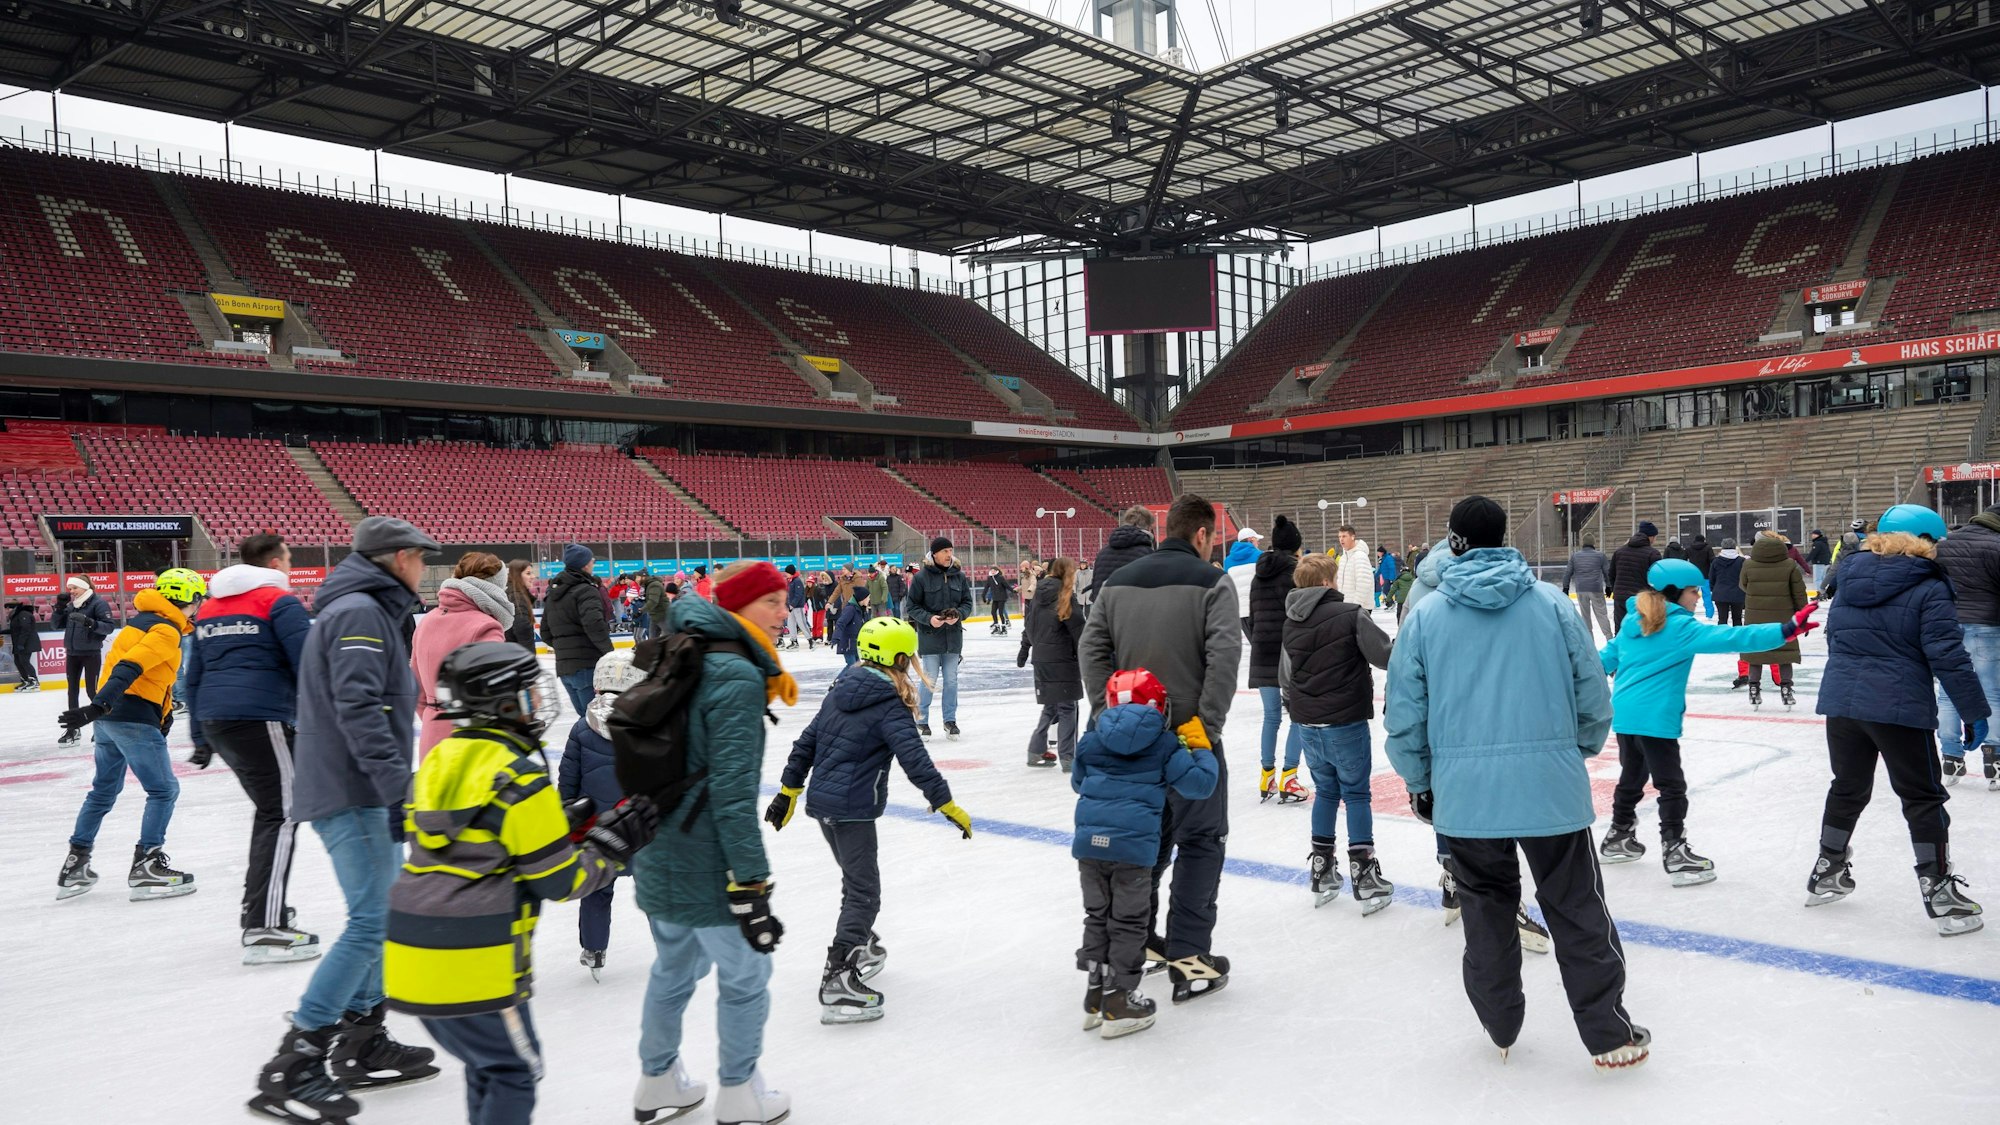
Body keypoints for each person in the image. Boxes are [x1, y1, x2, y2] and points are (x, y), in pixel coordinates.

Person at [1385, 496, 1646, 1072]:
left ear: (1454, 542)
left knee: (1485, 909)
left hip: (1466, 792)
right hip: (1549, 786)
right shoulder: (1551, 605)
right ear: (1504, 538)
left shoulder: (1424, 616)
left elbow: (1404, 711)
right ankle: (1607, 1032)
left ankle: (1500, 1022)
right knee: (1577, 905)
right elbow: (1592, 693)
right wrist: (1570, 749)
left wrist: (1420, 780)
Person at [384, 642, 661, 1125]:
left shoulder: (440, 760)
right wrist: (610, 846)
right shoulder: (518, 775)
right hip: (476, 962)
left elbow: (475, 843)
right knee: (515, 1071)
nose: (539, 701)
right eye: (528, 693)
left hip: (411, 953)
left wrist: (554, 824)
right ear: (503, 703)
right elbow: (562, 880)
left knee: (487, 1068)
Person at [247, 517, 442, 1123]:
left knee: (384, 915)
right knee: (373, 919)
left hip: (361, 787)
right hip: (351, 788)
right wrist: (395, 789)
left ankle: (361, 1037)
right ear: (400, 558)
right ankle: (296, 1061)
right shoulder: (359, 611)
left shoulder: (367, 607)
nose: (424, 569)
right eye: (420, 559)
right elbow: (357, 706)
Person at [630, 560, 798, 1125]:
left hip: (659, 840)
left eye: (783, 601)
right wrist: (751, 882)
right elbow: (731, 793)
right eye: (771, 602)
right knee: (747, 976)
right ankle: (740, 1090)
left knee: (673, 968)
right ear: (740, 606)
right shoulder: (736, 673)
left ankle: (656, 1080)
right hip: (706, 857)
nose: (782, 613)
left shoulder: (685, 645)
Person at [1078, 494, 1240, 1003]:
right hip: (1188, 741)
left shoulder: (1118, 582)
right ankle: (1189, 954)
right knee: (1200, 841)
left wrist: (1110, 716)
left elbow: (1091, 647)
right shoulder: (1213, 581)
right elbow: (1224, 655)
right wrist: (1203, 729)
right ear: (1202, 535)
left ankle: (1140, 940)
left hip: (1128, 744)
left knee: (1144, 841)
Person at [767, 616, 968, 1024]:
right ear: (896, 656)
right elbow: (916, 761)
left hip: (825, 807)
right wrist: (946, 803)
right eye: (908, 655)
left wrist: (789, 791)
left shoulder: (842, 687)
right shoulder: (888, 705)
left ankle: (864, 943)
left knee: (854, 884)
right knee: (864, 893)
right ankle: (838, 976)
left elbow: (806, 743)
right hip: (852, 810)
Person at [1811, 505, 1987, 937]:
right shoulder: (1929, 586)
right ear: (1925, 541)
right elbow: (1947, 655)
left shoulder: (1849, 577)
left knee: (1848, 787)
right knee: (1923, 797)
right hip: (1898, 706)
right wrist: (1974, 710)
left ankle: (1826, 869)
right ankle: (1940, 890)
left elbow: (1837, 636)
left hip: (1843, 703)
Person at [1598, 559, 1814, 884]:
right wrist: (1784, 630)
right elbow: (1732, 638)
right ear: (1674, 593)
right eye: (1693, 590)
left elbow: (1600, 661)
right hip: (1656, 718)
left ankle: (1618, 836)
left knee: (1632, 776)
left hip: (1627, 715)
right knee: (1671, 785)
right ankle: (1675, 852)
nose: (1698, 597)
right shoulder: (1680, 628)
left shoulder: (1634, 621)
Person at [183, 533, 319, 964]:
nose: (291, 567)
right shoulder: (280, 602)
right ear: (276, 563)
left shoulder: (210, 607)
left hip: (220, 720)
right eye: (290, 559)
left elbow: (194, 677)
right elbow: (308, 665)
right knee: (283, 813)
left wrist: (201, 737)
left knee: (272, 812)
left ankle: (259, 909)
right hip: (262, 717)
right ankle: (264, 924)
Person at [1072, 668, 1218, 1039]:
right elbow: (1200, 786)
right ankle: (1119, 1000)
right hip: (1134, 852)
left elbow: (1078, 782)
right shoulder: (1164, 744)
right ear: (1158, 705)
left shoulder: (1091, 740)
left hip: (1089, 847)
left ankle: (1095, 994)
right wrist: (1201, 749)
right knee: (1128, 923)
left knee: (1097, 916)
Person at [54, 568, 207, 903]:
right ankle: (147, 864)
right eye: (198, 599)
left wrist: (102, 711)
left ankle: (75, 863)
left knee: (104, 791)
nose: (199, 606)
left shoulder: (139, 623)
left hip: (111, 721)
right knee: (164, 790)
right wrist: (96, 708)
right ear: (187, 599)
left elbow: (137, 673)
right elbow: (129, 667)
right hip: (129, 718)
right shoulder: (165, 630)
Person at [1281, 551, 1394, 912]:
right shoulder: (1350, 614)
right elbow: (1384, 655)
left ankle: (1321, 869)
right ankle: (1364, 874)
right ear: (1328, 582)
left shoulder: (1291, 621)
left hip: (1308, 725)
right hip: (1344, 721)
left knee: (1326, 792)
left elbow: (1285, 676)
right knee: (1357, 794)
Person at [559, 648, 650, 980]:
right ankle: (671, 947)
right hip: (641, 831)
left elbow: (567, 783)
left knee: (596, 889)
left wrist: (565, 818)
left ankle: (594, 948)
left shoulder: (582, 730)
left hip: (594, 832)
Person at [410, 552, 514, 756]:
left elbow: (416, 689)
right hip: (472, 743)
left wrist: (435, 717)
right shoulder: (486, 626)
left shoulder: (427, 621)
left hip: (432, 738)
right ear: (495, 586)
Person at [1935, 501, 2000, 787]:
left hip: (1949, 624)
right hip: (1988, 625)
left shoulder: (1947, 543)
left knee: (1949, 691)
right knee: (1992, 692)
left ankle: (1950, 756)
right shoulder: (1996, 545)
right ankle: (1994, 757)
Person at [1248, 515, 1304, 801]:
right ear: (1296, 546)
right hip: (1289, 652)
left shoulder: (1258, 574)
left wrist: (1258, 639)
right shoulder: (1296, 572)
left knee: (1271, 717)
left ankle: (1267, 776)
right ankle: (1289, 776)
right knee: (1298, 715)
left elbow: (1251, 616)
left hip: (1262, 649)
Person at [1018, 557, 1086, 769]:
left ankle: (1035, 750)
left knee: (1051, 706)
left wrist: (1026, 649)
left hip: (1041, 659)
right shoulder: (1065, 596)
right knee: (1067, 707)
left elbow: (1029, 625)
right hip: (1063, 660)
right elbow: (1080, 632)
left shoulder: (1038, 596)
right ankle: (1068, 757)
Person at [905, 536, 973, 740]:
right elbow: (912, 607)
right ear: (934, 554)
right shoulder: (921, 578)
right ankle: (921, 720)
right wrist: (929, 618)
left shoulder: (958, 576)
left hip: (953, 638)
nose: (949, 555)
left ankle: (950, 721)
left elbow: (967, 603)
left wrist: (958, 615)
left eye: (951, 551)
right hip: (930, 637)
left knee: (951, 681)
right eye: (945, 551)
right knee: (929, 680)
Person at [1740, 531, 1810, 708]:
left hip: (1755, 616)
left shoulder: (1748, 564)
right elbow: (1799, 594)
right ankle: (1786, 689)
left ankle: (1754, 688)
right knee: (1784, 654)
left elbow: (1743, 585)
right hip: (1783, 617)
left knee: (1755, 653)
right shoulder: (1790, 565)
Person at [543, 544, 613, 715]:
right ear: (585, 564)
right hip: (587, 666)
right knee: (596, 722)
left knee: (585, 720)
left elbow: (545, 631)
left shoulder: (554, 593)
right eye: (592, 560)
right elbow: (594, 625)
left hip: (565, 669)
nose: (593, 563)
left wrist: (565, 648)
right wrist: (609, 654)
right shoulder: (586, 590)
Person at [53, 576, 115, 735]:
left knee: (92, 691)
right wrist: (59, 608)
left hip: (90, 653)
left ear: (84, 587)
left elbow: (109, 627)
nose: (71, 591)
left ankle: (104, 727)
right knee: (72, 691)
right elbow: (55, 625)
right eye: (70, 588)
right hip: (72, 653)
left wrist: (89, 622)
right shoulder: (72, 605)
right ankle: (73, 729)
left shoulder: (98, 603)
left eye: (74, 588)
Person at [1091, 505, 1157, 599]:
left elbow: (1095, 588)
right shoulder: (1147, 554)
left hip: (1104, 610)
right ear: (1148, 527)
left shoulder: (1103, 552)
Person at [1607, 521, 1661, 631]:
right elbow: (1658, 579)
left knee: (1621, 630)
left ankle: (1621, 648)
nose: (1655, 540)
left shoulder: (1619, 552)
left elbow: (1611, 574)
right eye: (1655, 537)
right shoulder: (1653, 553)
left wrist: (1616, 590)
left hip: (1621, 598)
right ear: (1650, 537)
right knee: (1642, 631)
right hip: (1642, 600)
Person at [1562, 539, 1613, 642]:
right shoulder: (1600, 555)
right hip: (1596, 589)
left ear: (1583, 544)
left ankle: (1590, 642)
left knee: (1585, 617)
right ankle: (1610, 639)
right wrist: (1609, 586)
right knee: (1602, 615)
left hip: (1581, 589)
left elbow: (1567, 573)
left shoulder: (1575, 556)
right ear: (1593, 544)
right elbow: (1607, 572)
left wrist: (1566, 588)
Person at [1224, 528, 1262, 637]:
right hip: (1258, 608)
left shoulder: (1227, 561)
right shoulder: (1260, 556)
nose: (1258, 543)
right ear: (1250, 539)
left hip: (1240, 610)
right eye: (1256, 540)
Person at [830, 583, 871, 668]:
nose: (869, 599)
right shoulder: (850, 609)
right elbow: (840, 623)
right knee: (852, 667)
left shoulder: (863, 611)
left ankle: (846, 681)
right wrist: (836, 638)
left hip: (855, 644)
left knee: (857, 667)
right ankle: (839, 681)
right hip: (847, 644)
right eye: (868, 598)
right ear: (862, 599)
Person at [1710, 539, 1747, 630]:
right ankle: (1738, 640)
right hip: (1738, 593)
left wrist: (1714, 589)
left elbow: (1712, 577)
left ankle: (1722, 640)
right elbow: (1745, 577)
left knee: (1722, 619)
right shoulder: (1741, 561)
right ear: (1735, 547)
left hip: (1720, 593)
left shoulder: (1716, 561)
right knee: (1737, 619)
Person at [1334, 525, 1374, 610]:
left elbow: (1364, 584)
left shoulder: (1360, 556)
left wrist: (1356, 606)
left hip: (1359, 607)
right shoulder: (1343, 558)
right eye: (1339, 536)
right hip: (1346, 606)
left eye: (1344, 536)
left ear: (1352, 537)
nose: (1341, 539)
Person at [504, 559, 539, 651]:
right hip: (516, 656)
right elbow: (522, 627)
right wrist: (529, 657)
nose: (533, 576)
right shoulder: (516, 597)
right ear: (517, 575)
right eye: (528, 573)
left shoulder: (513, 594)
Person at [8, 597, 41, 690]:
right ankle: (26, 680)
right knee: (18, 661)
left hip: (27, 643)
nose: (8, 609)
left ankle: (34, 681)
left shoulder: (24, 614)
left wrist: (21, 643)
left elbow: (25, 629)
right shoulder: (16, 615)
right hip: (19, 643)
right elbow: (15, 630)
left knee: (24, 661)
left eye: (10, 607)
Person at [782, 565, 810, 650]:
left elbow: (799, 594)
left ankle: (810, 640)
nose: (785, 574)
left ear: (790, 572)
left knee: (802, 623)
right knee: (790, 624)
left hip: (797, 607)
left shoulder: (797, 581)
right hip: (790, 608)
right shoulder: (790, 581)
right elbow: (788, 595)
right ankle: (794, 641)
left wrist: (792, 604)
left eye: (787, 573)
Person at [983, 565, 1015, 635]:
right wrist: (983, 596)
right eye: (991, 570)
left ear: (997, 571)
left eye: (994, 570)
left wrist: (1013, 591)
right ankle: (997, 627)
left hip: (1002, 598)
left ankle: (1004, 628)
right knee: (993, 612)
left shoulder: (1000, 578)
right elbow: (986, 588)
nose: (993, 572)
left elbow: (1007, 586)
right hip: (995, 598)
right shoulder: (990, 578)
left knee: (1001, 613)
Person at [642, 568, 669, 640]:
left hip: (662, 614)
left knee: (668, 635)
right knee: (652, 639)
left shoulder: (654, 585)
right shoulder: (648, 585)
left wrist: (642, 610)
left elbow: (653, 601)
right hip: (654, 615)